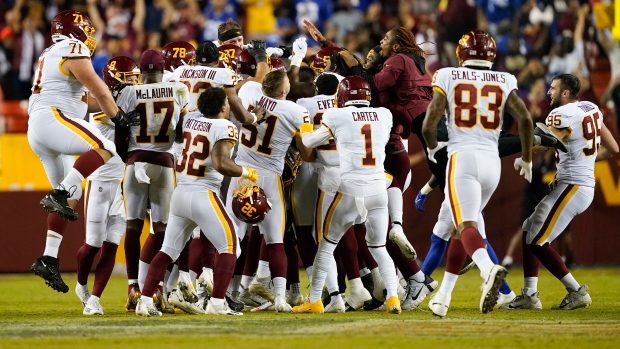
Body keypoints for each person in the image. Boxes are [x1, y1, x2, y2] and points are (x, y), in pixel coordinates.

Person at [421, 30, 534, 317]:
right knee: (460, 228)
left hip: (463, 158)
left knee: (466, 225)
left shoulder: (447, 74)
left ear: (461, 54)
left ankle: (488, 269)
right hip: (492, 162)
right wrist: (527, 159)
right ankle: (442, 297)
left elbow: (429, 123)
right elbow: (525, 119)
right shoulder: (505, 79)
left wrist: (433, 149)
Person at [28, 10, 139, 293]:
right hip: (52, 118)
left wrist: (112, 104)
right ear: (75, 31)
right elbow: (97, 88)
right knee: (106, 148)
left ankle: (49, 258)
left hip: (41, 127)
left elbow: (86, 101)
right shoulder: (72, 47)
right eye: (86, 31)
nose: (90, 37)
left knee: (74, 193)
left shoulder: (52, 52)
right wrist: (118, 118)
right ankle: (60, 192)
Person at [136, 87, 260, 317]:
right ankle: (218, 302)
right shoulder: (225, 127)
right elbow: (221, 162)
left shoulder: (192, 122)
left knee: (167, 250)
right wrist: (247, 172)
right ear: (223, 107)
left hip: (181, 193)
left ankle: (144, 301)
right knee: (231, 246)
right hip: (204, 193)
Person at [503, 74, 618, 310]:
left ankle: (576, 291)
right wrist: (584, 160)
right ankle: (530, 294)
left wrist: (520, 151)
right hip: (579, 184)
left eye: (553, 88)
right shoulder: (591, 108)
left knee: (537, 238)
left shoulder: (560, 114)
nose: (549, 92)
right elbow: (613, 148)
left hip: (573, 185)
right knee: (529, 230)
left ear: (565, 93)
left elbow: (550, 139)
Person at [295, 76, 402, 314]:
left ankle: (314, 301)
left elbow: (310, 140)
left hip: (350, 189)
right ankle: (393, 298)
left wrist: (304, 125)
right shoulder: (384, 114)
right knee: (379, 247)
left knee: (326, 246)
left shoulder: (336, 115)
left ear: (342, 97)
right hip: (378, 189)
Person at [226, 69, 312, 312]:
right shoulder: (296, 112)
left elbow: (250, 85)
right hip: (269, 177)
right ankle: (280, 299)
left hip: (241, 174)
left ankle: (227, 293)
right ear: (284, 91)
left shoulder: (250, 90)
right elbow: (306, 152)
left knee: (232, 238)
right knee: (275, 240)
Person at [116, 49, 189, 311]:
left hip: (136, 160)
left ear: (141, 71)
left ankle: (133, 285)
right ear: (162, 68)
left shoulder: (127, 92)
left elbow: (119, 135)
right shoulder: (178, 90)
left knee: (132, 227)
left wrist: (130, 159)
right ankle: (156, 287)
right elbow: (180, 135)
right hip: (164, 163)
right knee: (162, 230)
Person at [75, 56, 141, 315]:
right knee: (92, 244)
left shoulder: (128, 104)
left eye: (137, 78)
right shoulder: (104, 109)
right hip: (100, 181)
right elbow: (110, 116)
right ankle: (81, 284)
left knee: (112, 244)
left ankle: (94, 299)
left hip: (122, 182)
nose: (135, 82)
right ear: (116, 80)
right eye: (130, 78)